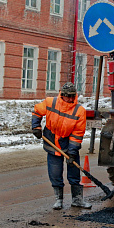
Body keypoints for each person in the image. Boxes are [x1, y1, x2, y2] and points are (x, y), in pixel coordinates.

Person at [31, 82, 92, 210]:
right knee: (55, 172)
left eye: (72, 96)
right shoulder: (50, 102)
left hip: (68, 141)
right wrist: (36, 127)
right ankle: (58, 199)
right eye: (67, 96)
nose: (70, 99)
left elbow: (77, 133)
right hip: (51, 140)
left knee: (74, 172)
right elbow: (37, 111)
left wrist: (72, 152)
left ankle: (77, 199)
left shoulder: (79, 111)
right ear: (62, 95)